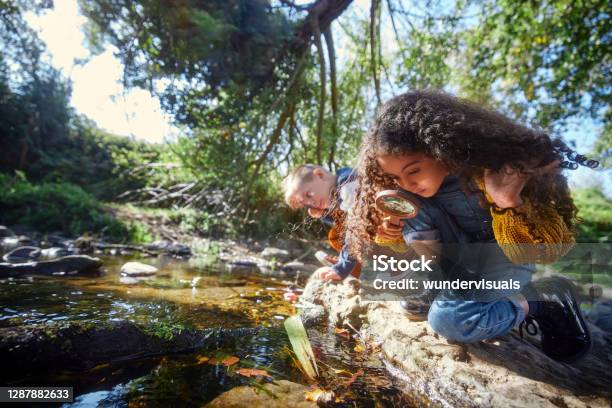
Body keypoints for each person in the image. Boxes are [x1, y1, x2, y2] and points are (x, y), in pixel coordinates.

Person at [346, 90, 598, 362]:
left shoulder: (498, 170)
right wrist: (391, 234)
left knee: (451, 320)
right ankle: (437, 287)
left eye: (413, 170)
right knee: (402, 254)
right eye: (395, 176)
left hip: (505, 257)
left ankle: (541, 299)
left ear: (439, 148)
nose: (406, 183)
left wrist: (507, 202)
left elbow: (549, 250)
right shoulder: (408, 192)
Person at [282, 164, 361, 280]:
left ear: (320, 175)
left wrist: (342, 269)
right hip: (370, 237)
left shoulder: (348, 185)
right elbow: (343, 221)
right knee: (336, 235)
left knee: (342, 235)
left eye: (309, 195)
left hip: (390, 230)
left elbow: (356, 231)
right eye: (305, 203)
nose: (311, 203)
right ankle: (356, 266)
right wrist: (325, 214)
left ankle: (352, 266)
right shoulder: (336, 194)